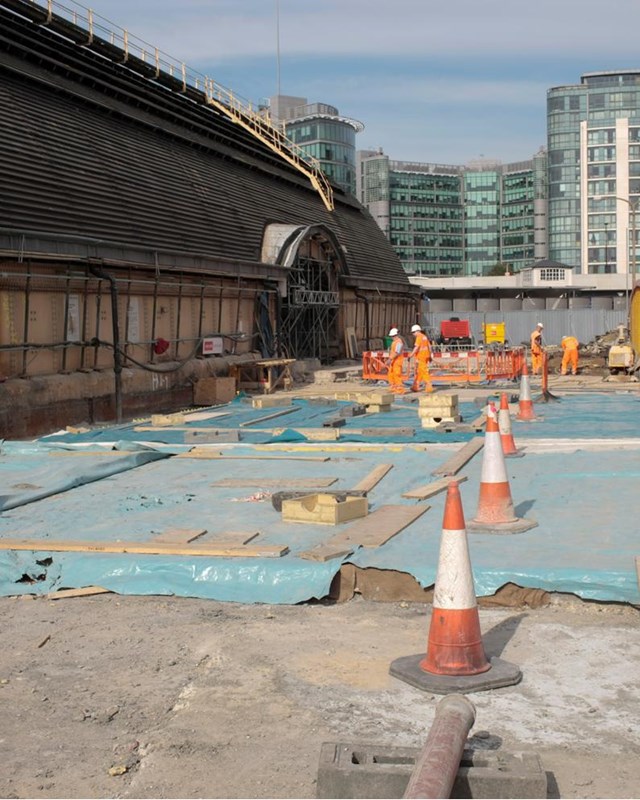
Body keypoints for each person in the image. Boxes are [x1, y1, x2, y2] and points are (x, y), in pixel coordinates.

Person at [409, 324, 433, 392]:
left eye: (413, 332)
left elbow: (416, 347)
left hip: (421, 357)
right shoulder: (424, 337)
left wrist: (411, 355)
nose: (413, 334)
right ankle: (415, 386)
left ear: (417, 331)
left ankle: (429, 386)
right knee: (420, 372)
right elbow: (429, 346)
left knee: (424, 372)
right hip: (426, 356)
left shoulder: (419, 337)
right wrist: (430, 355)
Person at [386, 327, 407, 394]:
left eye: (393, 336)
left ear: (396, 335)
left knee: (397, 375)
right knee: (391, 374)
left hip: (397, 361)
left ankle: (400, 389)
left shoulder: (399, 342)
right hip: (394, 361)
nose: (392, 337)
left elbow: (397, 352)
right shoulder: (394, 342)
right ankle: (393, 388)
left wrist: (390, 359)